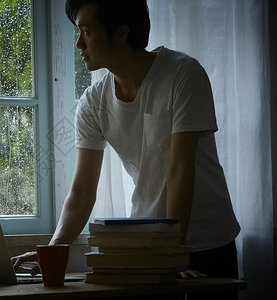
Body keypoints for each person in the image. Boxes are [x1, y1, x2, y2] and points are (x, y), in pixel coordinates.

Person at [12, 0, 240, 296]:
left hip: (207, 243)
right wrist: (53, 251)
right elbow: (82, 192)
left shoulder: (183, 74)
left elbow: (180, 169)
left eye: (87, 32)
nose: (79, 43)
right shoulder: (93, 101)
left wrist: (174, 253)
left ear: (120, 33)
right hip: (148, 245)